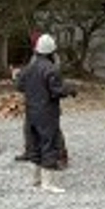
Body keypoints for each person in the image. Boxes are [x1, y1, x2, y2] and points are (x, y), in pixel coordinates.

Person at [15, 34, 74, 192]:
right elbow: (56, 91)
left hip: (31, 111)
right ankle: (47, 183)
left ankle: (35, 179)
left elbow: (19, 86)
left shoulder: (29, 68)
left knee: (34, 143)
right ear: (51, 52)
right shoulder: (50, 69)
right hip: (47, 112)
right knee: (49, 144)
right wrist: (68, 90)